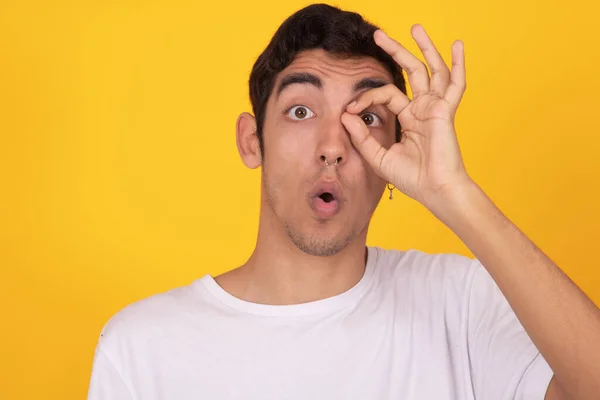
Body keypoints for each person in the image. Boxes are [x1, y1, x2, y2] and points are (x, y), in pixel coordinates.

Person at [87, 3, 600, 399]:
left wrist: (453, 192)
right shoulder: (142, 347)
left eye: (367, 116)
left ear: (395, 150)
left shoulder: (460, 304)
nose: (333, 146)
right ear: (251, 141)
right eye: (301, 111)